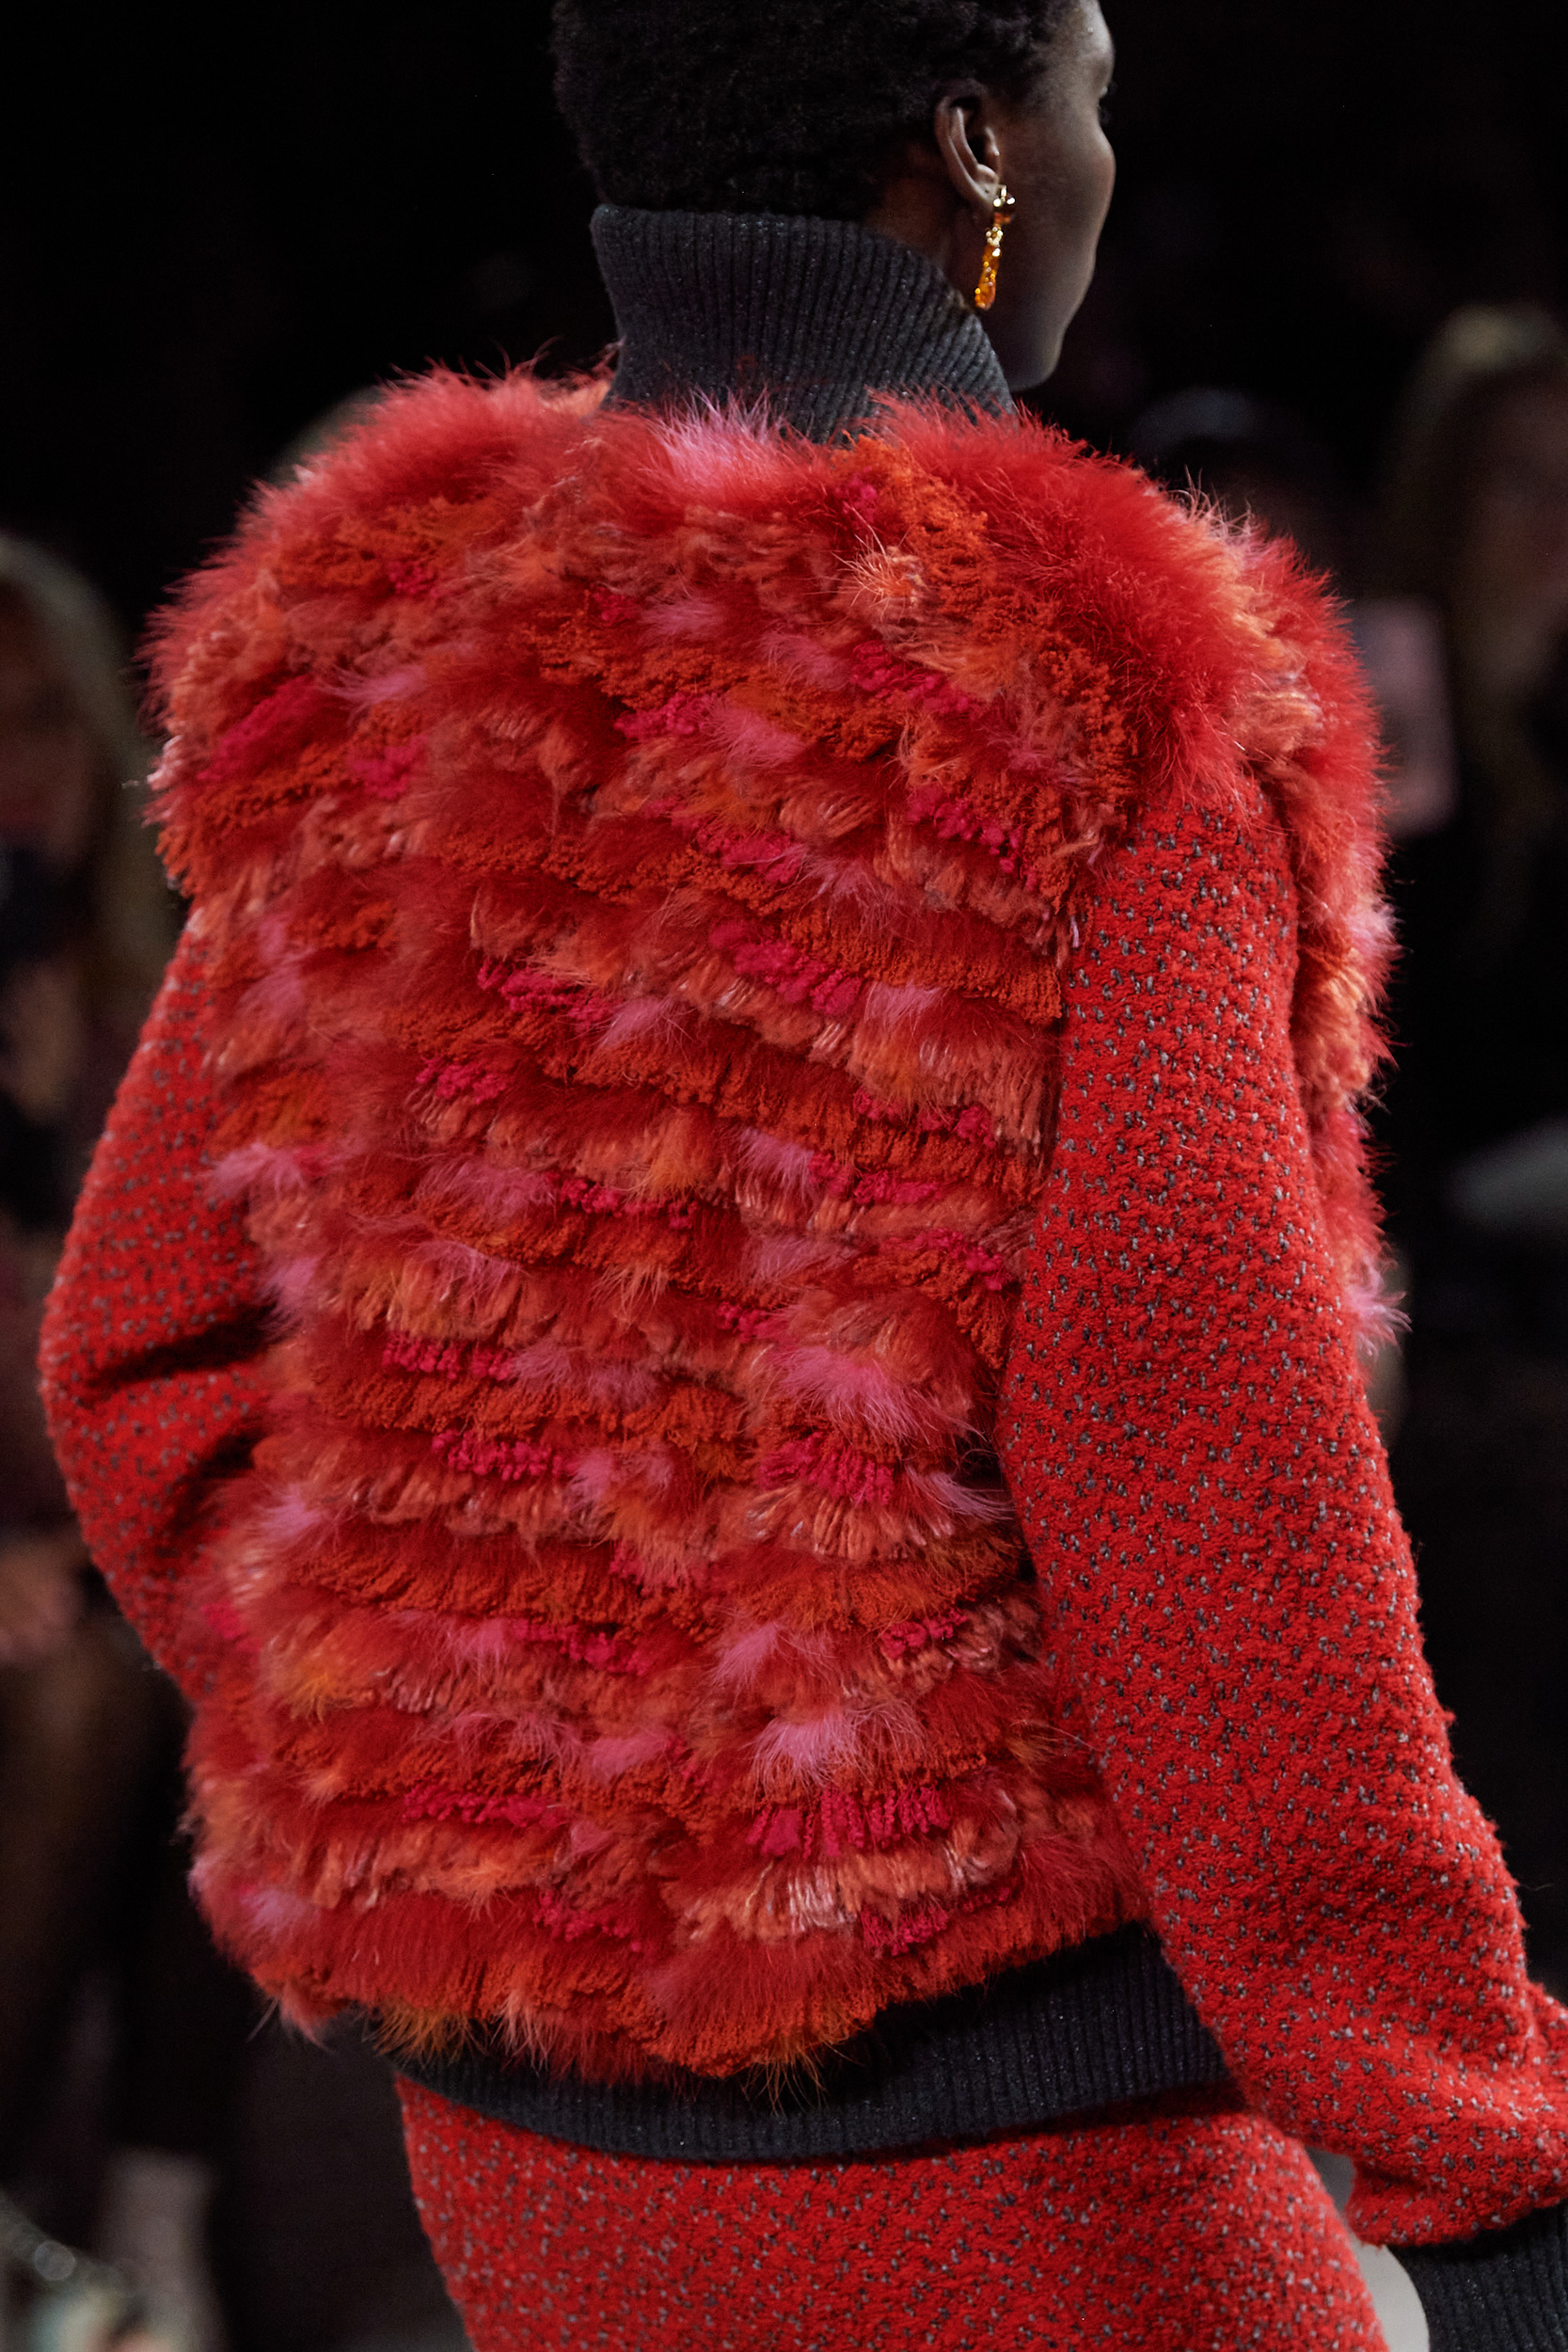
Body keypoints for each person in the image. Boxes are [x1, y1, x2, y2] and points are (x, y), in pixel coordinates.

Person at [38, 5, 1568, 2345]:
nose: (1105, 147)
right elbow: (1202, 1472)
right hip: (1020, 2155)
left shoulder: (392, 631)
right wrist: (1488, 2165)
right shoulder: (1092, 679)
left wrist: (482, 1740)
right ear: (974, 142)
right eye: (1088, 83)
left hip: (534, 2165)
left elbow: (140, 1347)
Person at [1372, 307, 1568, 2000]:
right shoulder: (1385, 706)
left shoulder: (1554, 738)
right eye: (1520, 480)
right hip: (1429, 1278)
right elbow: (1390, 1059)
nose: (1557, 524)